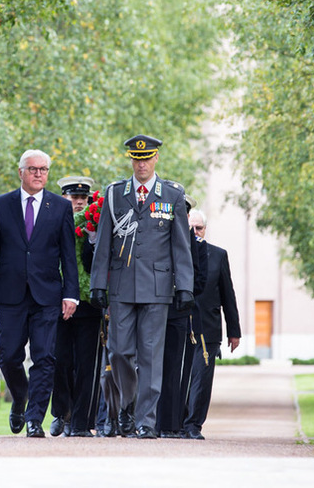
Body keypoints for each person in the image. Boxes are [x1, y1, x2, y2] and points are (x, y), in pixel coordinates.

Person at [90, 134, 194, 439]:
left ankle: (145, 421)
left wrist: (184, 287)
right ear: (131, 161)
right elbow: (104, 245)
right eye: (137, 159)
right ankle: (125, 407)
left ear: (156, 159)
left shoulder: (173, 194)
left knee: (150, 355)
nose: (142, 164)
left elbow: (181, 246)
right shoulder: (114, 194)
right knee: (119, 353)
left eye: (147, 158)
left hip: (157, 287)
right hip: (121, 286)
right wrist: (98, 284)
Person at [0, 149, 79, 438]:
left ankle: (35, 419)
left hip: (47, 295)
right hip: (9, 294)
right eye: (33, 169)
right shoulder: (1, 205)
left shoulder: (60, 207)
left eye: (43, 169)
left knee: (45, 358)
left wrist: (71, 294)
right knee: (9, 355)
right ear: (20, 172)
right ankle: (20, 398)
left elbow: (68, 255)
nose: (38, 174)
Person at [49, 176, 103, 437]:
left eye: (83, 198)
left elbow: (99, 264)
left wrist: (93, 238)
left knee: (85, 365)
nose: (79, 202)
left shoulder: (97, 226)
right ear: (64, 199)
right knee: (59, 362)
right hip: (58, 301)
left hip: (89, 303)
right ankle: (62, 412)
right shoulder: (52, 222)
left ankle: (81, 422)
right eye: (74, 198)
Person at [183, 208, 242, 440]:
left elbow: (229, 294)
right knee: (180, 377)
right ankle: (175, 423)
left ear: (205, 230)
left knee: (201, 379)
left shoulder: (218, 255)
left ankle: (193, 425)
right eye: (191, 228)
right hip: (181, 325)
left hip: (208, 328)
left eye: (199, 228)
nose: (195, 232)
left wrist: (234, 331)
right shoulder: (176, 252)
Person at [156, 195, 209, 438]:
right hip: (153, 308)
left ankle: (171, 423)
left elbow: (198, 281)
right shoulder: (157, 236)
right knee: (150, 366)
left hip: (177, 313)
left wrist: (180, 290)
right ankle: (148, 421)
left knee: (176, 370)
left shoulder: (193, 243)